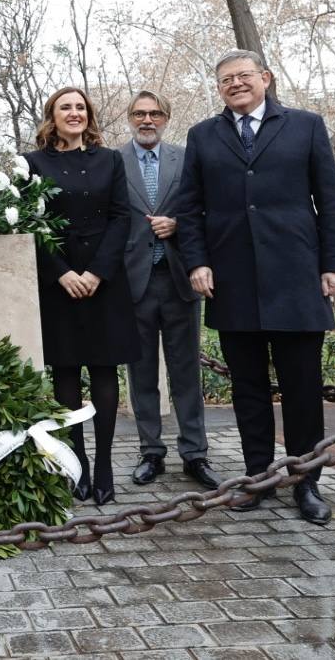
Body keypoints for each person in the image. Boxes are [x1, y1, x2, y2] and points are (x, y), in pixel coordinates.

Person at [173, 50, 335, 525]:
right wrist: (197, 263)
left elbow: (329, 199)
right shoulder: (203, 136)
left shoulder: (305, 125)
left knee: (302, 388)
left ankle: (305, 480)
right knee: (247, 389)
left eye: (244, 76)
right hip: (231, 280)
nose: (235, 84)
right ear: (219, 88)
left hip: (296, 276)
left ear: (265, 79)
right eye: (226, 79)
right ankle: (256, 477)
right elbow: (190, 209)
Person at [25, 86, 138, 506]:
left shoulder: (110, 160)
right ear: (51, 117)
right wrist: (62, 274)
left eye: (80, 107)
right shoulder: (32, 164)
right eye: (65, 107)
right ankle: (78, 467)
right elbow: (30, 224)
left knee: (105, 374)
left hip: (104, 281)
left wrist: (96, 272)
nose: (73, 113)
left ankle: (106, 465)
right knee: (66, 376)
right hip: (59, 281)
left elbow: (121, 217)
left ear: (88, 116)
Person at [117, 90, 221, 492]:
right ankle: (151, 452)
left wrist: (177, 225)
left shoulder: (186, 157)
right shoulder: (115, 160)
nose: (147, 120)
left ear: (166, 118)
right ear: (129, 118)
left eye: (155, 113)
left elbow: (204, 207)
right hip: (134, 282)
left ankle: (195, 453)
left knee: (186, 374)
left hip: (179, 278)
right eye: (140, 114)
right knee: (141, 373)